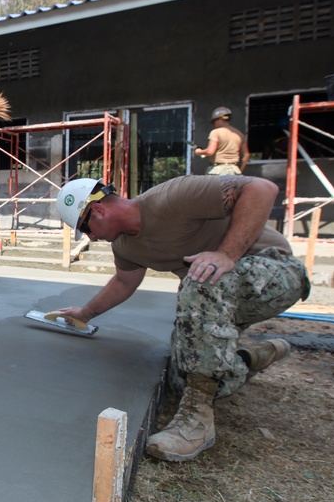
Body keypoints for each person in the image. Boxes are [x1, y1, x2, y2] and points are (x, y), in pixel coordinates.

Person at [53, 174, 310, 462]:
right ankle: (249, 357)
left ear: (98, 210)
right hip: (219, 300)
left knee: (200, 276)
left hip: (274, 271)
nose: (90, 237)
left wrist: (226, 254)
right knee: (183, 375)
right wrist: (84, 314)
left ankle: (196, 424)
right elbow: (124, 283)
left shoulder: (172, 197)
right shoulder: (125, 246)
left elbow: (262, 189)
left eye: (85, 228)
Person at [195, 106, 250, 175]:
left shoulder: (216, 132)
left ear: (220, 119)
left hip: (217, 171)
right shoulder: (240, 134)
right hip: (235, 171)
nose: (214, 124)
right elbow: (247, 155)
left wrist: (199, 151)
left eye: (214, 121)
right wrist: (240, 170)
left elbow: (210, 152)